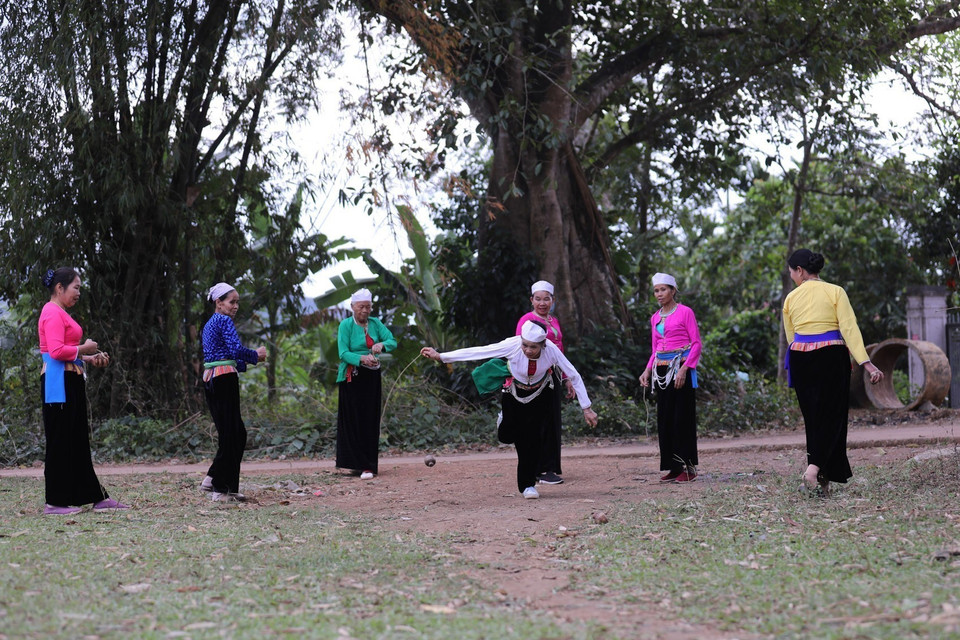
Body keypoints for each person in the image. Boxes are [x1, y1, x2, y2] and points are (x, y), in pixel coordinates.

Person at [421, 321, 598, 499]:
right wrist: (441, 356)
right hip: (514, 392)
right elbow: (480, 351)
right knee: (505, 436)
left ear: (543, 344)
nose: (528, 350)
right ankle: (503, 420)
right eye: (525, 345)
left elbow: (574, 375)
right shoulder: (512, 345)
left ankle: (528, 485)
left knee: (531, 439)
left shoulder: (551, 350)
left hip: (541, 394)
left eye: (533, 347)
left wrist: (587, 408)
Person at [782, 249, 883, 496]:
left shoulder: (790, 299)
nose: (791, 276)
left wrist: (801, 358)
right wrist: (866, 362)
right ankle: (813, 470)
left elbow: (791, 337)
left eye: (791, 271)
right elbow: (849, 328)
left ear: (800, 271)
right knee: (833, 416)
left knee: (814, 419)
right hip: (830, 355)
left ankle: (822, 480)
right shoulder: (836, 292)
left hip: (800, 357)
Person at [38, 267, 128, 515]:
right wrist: (84, 348)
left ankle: (94, 496)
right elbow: (56, 352)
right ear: (60, 288)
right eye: (75, 287)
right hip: (59, 382)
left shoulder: (60, 312)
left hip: (70, 378)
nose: (79, 293)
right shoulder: (52, 312)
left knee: (77, 440)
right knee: (60, 440)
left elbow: (64, 352)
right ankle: (54, 502)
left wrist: (88, 358)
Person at [200, 282, 266, 502]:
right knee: (233, 434)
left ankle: (214, 479)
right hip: (224, 380)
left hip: (212, 378)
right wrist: (256, 355)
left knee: (232, 432)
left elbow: (225, 356)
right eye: (232, 302)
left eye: (237, 302)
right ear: (219, 303)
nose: (235, 306)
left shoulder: (210, 323)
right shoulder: (224, 320)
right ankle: (221, 489)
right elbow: (236, 350)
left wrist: (249, 361)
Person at [638, 273, 702, 483]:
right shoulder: (655, 317)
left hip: (681, 367)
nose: (659, 294)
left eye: (663, 290)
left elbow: (696, 344)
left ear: (673, 290)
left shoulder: (685, 312)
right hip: (662, 371)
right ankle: (674, 467)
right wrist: (647, 370)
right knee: (665, 419)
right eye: (656, 291)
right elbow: (655, 349)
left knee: (682, 418)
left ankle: (689, 468)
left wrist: (684, 369)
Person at [515, 280, 572, 485]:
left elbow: (560, 350)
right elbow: (520, 349)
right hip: (536, 375)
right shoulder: (526, 320)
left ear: (553, 300)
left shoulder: (553, 321)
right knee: (537, 421)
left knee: (552, 420)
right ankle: (538, 468)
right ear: (531, 300)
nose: (542, 303)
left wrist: (566, 378)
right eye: (538, 299)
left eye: (546, 299)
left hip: (554, 375)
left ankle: (549, 467)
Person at [335, 288, 397, 479]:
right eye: (361, 307)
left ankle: (368, 466)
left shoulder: (375, 323)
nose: (365, 310)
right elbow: (343, 353)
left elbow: (392, 341)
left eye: (368, 307)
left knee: (369, 419)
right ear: (352, 307)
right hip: (351, 377)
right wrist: (362, 358)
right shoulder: (345, 325)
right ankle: (355, 464)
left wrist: (382, 345)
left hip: (371, 377)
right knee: (352, 420)